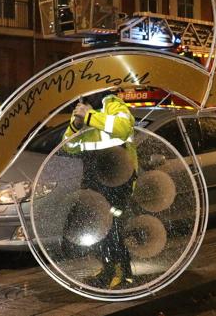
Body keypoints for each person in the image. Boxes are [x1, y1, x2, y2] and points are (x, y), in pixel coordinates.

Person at [63, 90, 137, 289]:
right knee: (98, 227)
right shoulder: (82, 108)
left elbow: (122, 128)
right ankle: (107, 269)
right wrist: (76, 124)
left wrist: (89, 116)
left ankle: (123, 274)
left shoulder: (112, 104)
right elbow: (69, 146)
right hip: (94, 180)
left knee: (114, 227)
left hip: (117, 180)